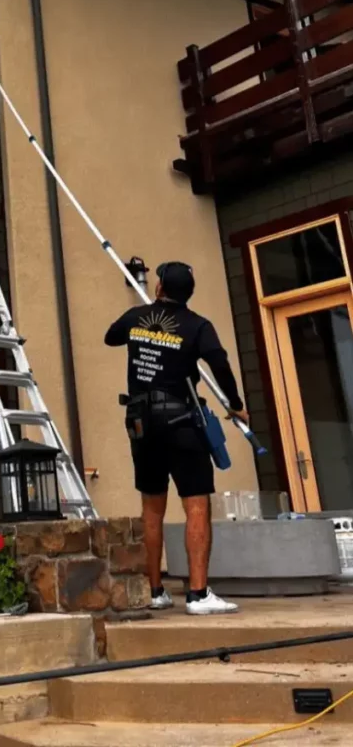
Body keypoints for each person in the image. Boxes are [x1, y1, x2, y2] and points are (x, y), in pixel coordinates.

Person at [104, 261, 247, 616]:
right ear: (188, 293)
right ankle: (198, 595)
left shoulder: (135, 316)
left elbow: (111, 337)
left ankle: (155, 591)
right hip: (181, 420)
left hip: (141, 422)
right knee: (195, 504)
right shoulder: (198, 326)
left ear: (159, 288)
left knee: (152, 508)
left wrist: (145, 328)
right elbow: (219, 362)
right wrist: (236, 404)